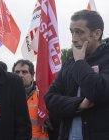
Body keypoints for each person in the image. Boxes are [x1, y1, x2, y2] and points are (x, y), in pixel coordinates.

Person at [45, 9, 109, 140]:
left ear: (97, 34)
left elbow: (97, 92)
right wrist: (78, 104)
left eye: (79, 32)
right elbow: (50, 99)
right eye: (72, 32)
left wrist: (80, 62)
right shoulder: (69, 64)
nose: (73, 39)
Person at [12, 59, 49, 140]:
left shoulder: (43, 96)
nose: (20, 75)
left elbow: (54, 123)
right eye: (17, 72)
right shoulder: (6, 96)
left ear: (32, 76)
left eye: (24, 72)